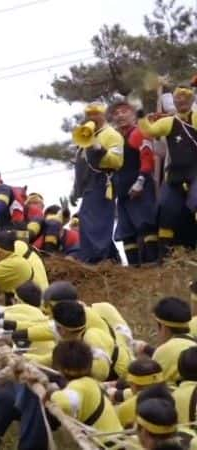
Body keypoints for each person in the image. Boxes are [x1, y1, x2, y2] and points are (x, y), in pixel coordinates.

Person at [139, 86, 197, 251]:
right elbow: (155, 141)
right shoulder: (168, 123)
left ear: (192, 100)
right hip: (174, 173)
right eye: (178, 98)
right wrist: (143, 118)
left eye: (186, 98)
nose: (182, 101)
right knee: (165, 208)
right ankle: (165, 255)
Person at [70, 101, 124, 263]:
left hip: (102, 183)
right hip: (88, 185)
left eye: (96, 114)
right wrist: (75, 189)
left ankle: (97, 258)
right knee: (86, 220)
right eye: (90, 114)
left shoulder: (112, 135)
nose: (92, 117)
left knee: (96, 222)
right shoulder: (88, 134)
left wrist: (99, 148)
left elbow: (117, 161)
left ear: (104, 115)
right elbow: (82, 164)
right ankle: (108, 258)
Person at [111, 101, 159, 265]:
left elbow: (147, 158)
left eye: (124, 112)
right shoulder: (114, 138)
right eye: (116, 113)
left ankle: (153, 264)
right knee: (126, 231)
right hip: (121, 191)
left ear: (132, 114)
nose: (120, 116)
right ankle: (133, 270)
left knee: (146, 224)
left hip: (139, 187)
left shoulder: (138, 133)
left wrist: (140, 181)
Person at [135, 297, 197, 384]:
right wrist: (146, 348)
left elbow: (148, 387)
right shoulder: (193, 344)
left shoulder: (163, 352)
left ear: (164, 328)